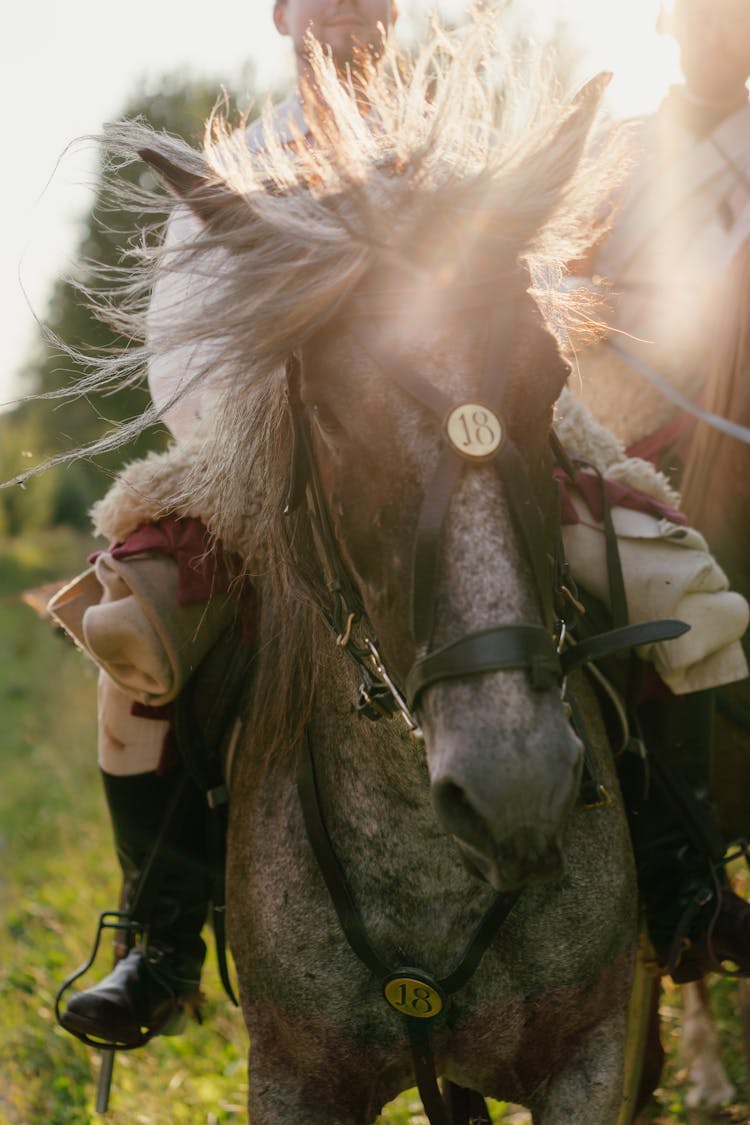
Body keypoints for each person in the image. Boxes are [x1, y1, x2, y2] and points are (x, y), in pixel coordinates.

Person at [49, 0, 399, 1048]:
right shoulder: (233, 165)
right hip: (259, 466)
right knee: (133, 645)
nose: (346, 14)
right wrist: (263, 455)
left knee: (631, 568)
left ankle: (673, 873)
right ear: (287, 16)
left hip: (436, 462)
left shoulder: (442, 148)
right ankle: (161, 946)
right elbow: (182, 349)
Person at [568, 0, 750, 980]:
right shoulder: (621, 148)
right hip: (636, 408)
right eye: (706, 14)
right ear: (666, 26)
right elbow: (551, 280)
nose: (727, 31)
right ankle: (668, 851)